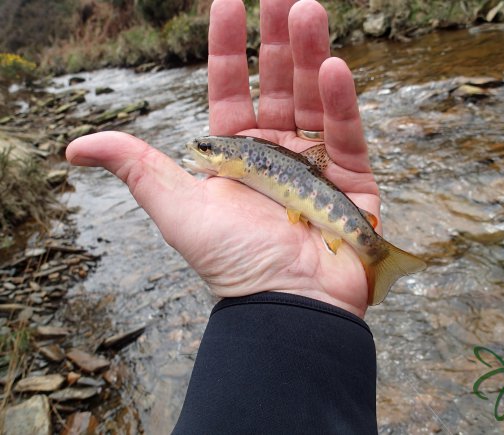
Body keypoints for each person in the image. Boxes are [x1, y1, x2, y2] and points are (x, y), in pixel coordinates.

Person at [67, 0, 379, 433]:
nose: (202, 154)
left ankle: (376, 254)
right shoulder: (236, 162)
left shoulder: (242, 158)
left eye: (209, 150)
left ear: (231, 157)